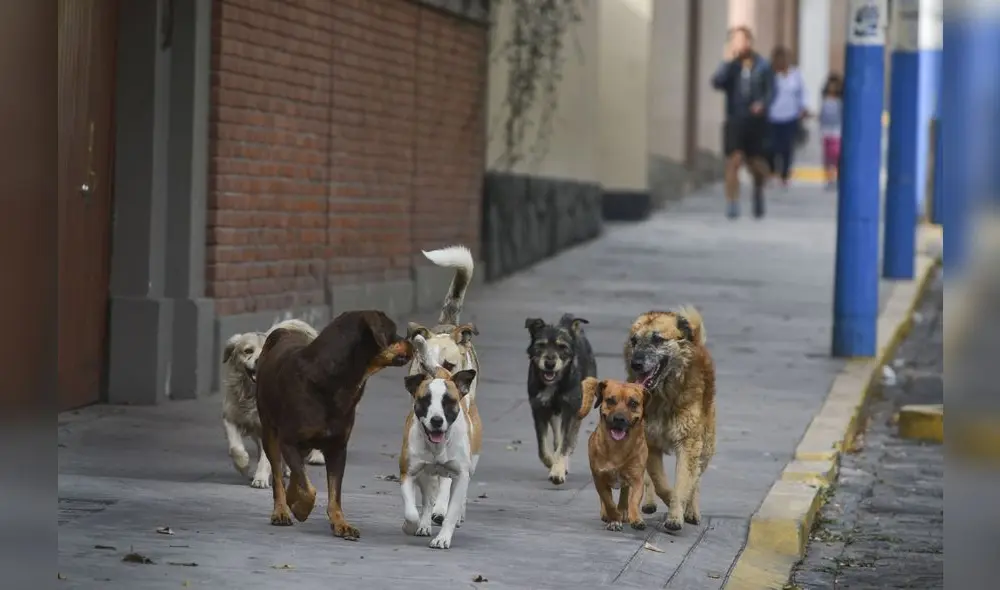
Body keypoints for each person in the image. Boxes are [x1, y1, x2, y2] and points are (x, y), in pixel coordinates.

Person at [711, 26, 775, 220]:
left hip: (756, 122)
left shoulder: (762, 65)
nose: (739, 44)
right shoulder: (731, 66)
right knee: (733, 161)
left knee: (755, 164)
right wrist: (726, 61)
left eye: (741, 40)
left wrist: (762, 104)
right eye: (734, 41)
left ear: (749, 42)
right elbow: (717, 83)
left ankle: (758, 190)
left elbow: (771, 91)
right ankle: (732, 202)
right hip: (735, 119)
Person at [767, 46, 809, 188]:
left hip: (790, 115)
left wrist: (803, 107)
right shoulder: (770, 74)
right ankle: (772, 171)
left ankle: (785, 174)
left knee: (787, 147)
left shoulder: (795, 74)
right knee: (772, 146)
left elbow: (801, 92)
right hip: (772, 115)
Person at [818, 74, 843, 191]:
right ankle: (829, 178)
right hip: (826, 132)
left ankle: (836, 177)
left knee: (836, 156)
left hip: (837, 132)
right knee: (828, 158)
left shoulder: (840, 103)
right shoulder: (825, 101)